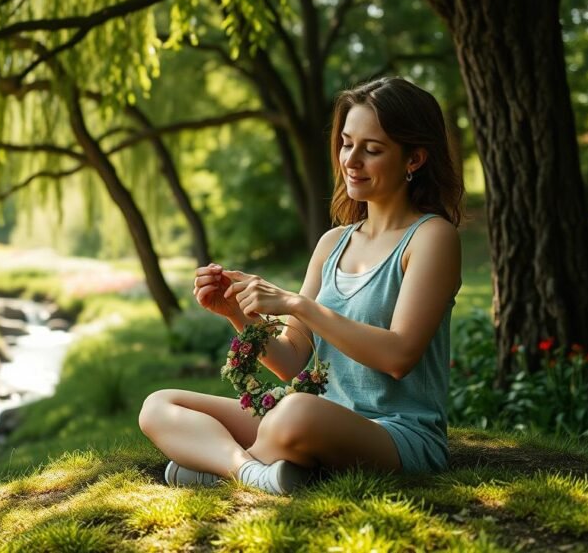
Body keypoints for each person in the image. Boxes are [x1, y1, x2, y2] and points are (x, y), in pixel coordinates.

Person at [138, 77, 464, 495]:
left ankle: (211, 464)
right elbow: (292, 361)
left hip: (397, 435)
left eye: (373, 149)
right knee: (160, 405)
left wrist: (297, 305)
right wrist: (238, 313)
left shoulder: (431, 238)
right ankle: (249, 471)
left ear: (414, 159)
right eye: (347, 144)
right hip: (312, 413)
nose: (352, 160)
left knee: (292, 415)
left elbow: (399, 355)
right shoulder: (333, 243)